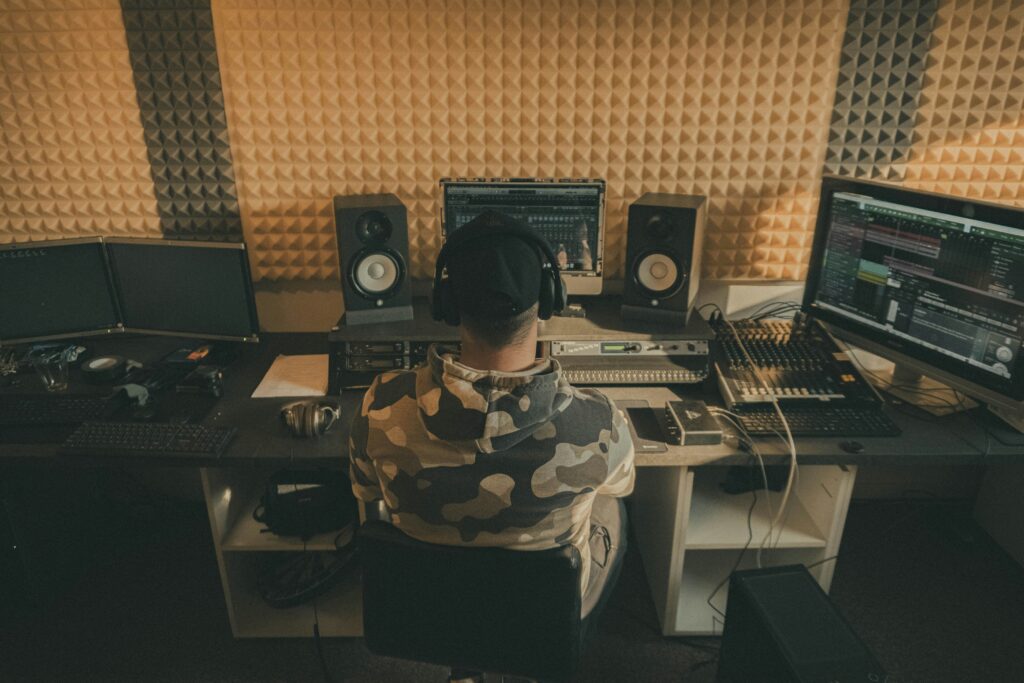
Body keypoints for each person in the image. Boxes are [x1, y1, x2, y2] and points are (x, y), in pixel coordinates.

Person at [347, 210, 635, 621]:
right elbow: (623, 483)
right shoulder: (599, 421)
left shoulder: (380, 403)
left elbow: (365, 491)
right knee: (612, 506)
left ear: (447, 304)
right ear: (549, 300)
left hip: (428, 610)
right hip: (542, 616)